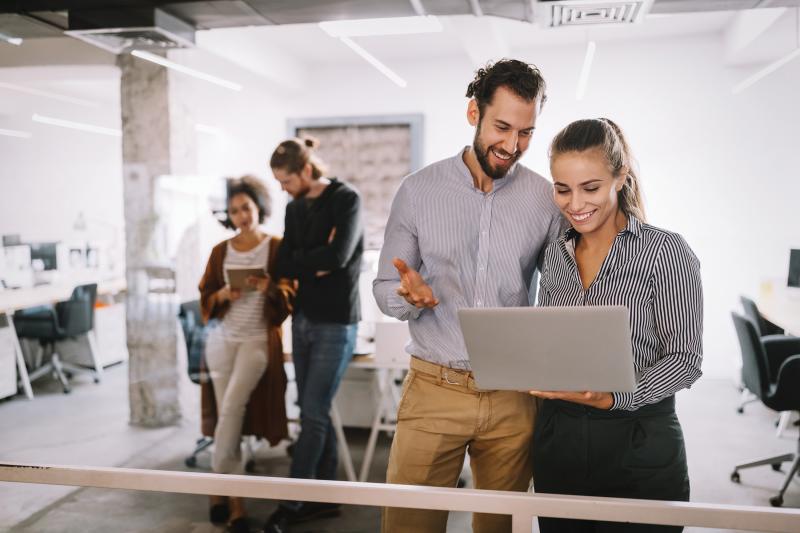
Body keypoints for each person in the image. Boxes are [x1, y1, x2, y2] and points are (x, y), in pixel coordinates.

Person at [372, 59, 564, 533]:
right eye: (502, 127)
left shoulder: (544, 198)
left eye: (526, 132)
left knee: (500, 529)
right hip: (434, 390)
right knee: (408, 526)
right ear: (473, 113)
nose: (512, 145)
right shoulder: (417, 191)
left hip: (512, 397)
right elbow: (383, 288)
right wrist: (407, 297)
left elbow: (563, 292)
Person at [530, 118, 703, 532]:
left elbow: (686, 359)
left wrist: (613, 396)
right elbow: (547, 342)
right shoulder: (554, 255)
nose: (575, 204)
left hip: (639, 439)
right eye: (562, 189)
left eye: (590, 188)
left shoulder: (665, 251)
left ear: (620, 177)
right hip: (562, 438)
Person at [264, 137, 364, 532]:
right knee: (312, 409)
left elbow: (338, 257)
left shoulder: (346, 199)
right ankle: (325, 498)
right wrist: (314, 262)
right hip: (303, 319)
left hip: (336, 321)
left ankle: (292, 503)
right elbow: (281, 264)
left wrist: (310, 261)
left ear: (306, 170)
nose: (282, 189)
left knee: (312, 412)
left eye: (286, 180)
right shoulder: (294, 208)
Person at [198, 175, 295, 533]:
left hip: (257, 340)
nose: (241, 216)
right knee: (228, 416)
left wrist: (269, 286)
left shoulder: (276, 247)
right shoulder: (220, 251)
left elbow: (289, 296)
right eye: (235, 210)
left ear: (259, 208)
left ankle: (215, 487)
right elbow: (206, 298)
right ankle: (234, 502)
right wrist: (223, 295)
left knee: (233, 408)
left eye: (247, 208)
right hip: (223, 339)